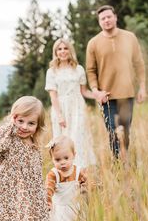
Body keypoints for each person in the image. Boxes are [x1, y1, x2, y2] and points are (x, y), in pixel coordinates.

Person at [86, 5, 146, 159]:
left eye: (108, 17)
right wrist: (96, 91)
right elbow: (91, 70)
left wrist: (142, 88)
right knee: (112, 131)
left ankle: (125, 162)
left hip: (127, 93)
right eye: (102, 18)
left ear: (115, 17)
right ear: (99, 22)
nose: (106, 20)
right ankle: (117, 163)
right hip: (106, 96)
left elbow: (139, 63)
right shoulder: (93, 43)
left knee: (125, 131)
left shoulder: (130, 37)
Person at [45, 38, 107, 168]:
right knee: (62, 141)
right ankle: (65, 172)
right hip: (60, 108)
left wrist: (98, 96)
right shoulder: (52, 71)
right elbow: (53, 96)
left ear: (70, 50)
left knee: (78, 138)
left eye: (65, 48)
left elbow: (84, 92)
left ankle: (81, 171)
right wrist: (60, 115)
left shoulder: (78, 69)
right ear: (55, 52)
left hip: (77, 107)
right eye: (59, 49)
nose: (63, 51)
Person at [45, 135, 87, 221]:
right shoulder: (53, 174)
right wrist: (48, 201)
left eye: (66, 158)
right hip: (60, 210)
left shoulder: (79, 171)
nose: (62, 162)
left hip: (75, 207)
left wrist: (85, 188)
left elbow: (86, 184)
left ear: (74, 155)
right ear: (52, 159)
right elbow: (48, 189)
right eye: (57, 159)